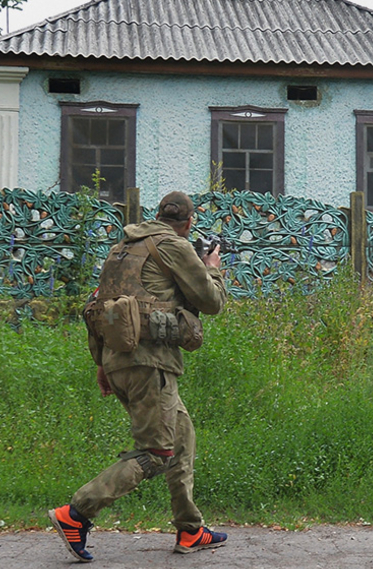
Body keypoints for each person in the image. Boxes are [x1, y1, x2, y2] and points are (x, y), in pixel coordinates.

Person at [50, 191, 228, 562]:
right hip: (151, 365)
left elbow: (98, 307)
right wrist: (210, 264)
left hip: (118, 362)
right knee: (158, 452)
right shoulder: (175, 247)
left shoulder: (122, 250)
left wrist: (101, 363)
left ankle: (190, 529)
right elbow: (212, 302)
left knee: (182, 436)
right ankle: (77, 512)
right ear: (189, 223)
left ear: (157, 215)